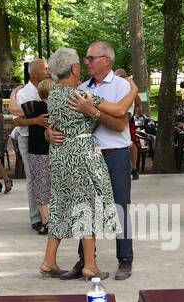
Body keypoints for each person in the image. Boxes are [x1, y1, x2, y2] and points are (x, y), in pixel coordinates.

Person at [40, 47, 138, 279]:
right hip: (85, 157)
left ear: (107, 60)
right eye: (83, 60)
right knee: (83, 207)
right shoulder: (80, 90)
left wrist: (92, 111)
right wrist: (49, 135)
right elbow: (55, 126)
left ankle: (124, 259)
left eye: (91, 58)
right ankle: (86, 262)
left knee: (118, 207)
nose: (86, 62)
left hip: (111, 153)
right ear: (73, 69)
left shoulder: (119, 86)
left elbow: (121, 123)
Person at [10, 59, 49, 232]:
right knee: (33, 178)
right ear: (34, 74)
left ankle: (49, 215)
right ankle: (36, 218)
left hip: (49, 140)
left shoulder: (50, 88)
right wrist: (37, 121)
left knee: (47, 179)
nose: (49, 71)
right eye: (45, 69)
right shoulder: (24, 94)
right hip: (29, 140)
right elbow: (16, 119)